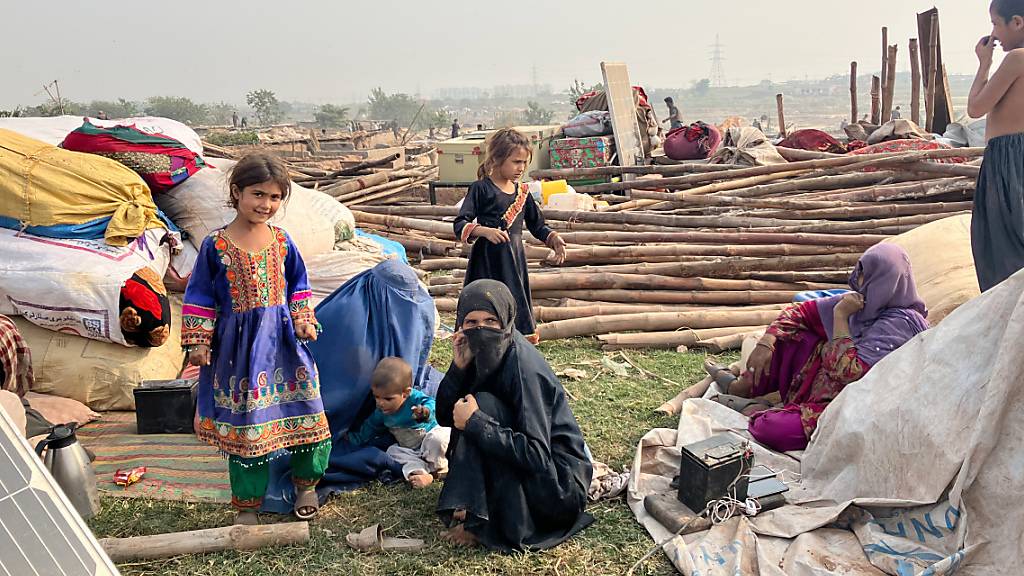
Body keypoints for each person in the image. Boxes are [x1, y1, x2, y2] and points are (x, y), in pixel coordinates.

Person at [182, 153, 331, 525]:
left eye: (275, 197)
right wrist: (199, 340)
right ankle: (248, 506)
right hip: (238, 352)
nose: (266, 204)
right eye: (258, 194)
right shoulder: (215, 246)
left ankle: (306, 485)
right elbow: (199, 295)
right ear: (237, 192)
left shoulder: (282, 242)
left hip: (284, 345)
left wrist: (302, 319)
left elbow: (299, 284)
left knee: (308, 413)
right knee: (247, 428)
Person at [712, 244, 929, 452]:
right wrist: (766, 341)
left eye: (865, 275)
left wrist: (841, 317)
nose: (857, 279)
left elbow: (848, 373)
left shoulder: (901, 324)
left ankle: (762, 409)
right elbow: (801, 311)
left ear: (884, 282)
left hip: (846, 409)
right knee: (791, 336)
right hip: (819, 388)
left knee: (772, 430)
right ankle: (742, 389)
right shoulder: (860, 303)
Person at [435, 280, 593, 551]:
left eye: (490, 320)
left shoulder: (522, 367)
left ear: (506, 320)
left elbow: (537, 455)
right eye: (471, 322)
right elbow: (445, 416)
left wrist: (475, 422)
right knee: (473, 405)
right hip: (539, 474)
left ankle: (485, 525)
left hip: (560, 488)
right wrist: (458, 369)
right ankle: (475, 505)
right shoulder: (481, 353)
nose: (481, 329)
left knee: (479, 408)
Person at [453, 128, 567, 343]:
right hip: (486, 260)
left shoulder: (522, 193)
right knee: (485, 301)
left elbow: (537, 225)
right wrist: (484, 231)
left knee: (514, 300)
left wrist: (552, 238)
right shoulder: (480, 189)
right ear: (496, 158)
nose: (521, 168)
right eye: (516, 162)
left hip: (513, 260)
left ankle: (515, 344)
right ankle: (480, 342)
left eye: (524, 162)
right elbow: (460, 223)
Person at [969, 0, 1024, 291]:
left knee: (1002, 248)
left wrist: (984, 64)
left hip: (1009, 163)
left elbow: (976, 108)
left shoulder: (1016, 59)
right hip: (1014, 159)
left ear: (1017, 22)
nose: (994, 34)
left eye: (995, 24)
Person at [344, 357, 450, 489]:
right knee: (392, 452)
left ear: (406, 393)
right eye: (376, 397)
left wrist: (425, 412)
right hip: (411, 449)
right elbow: (370, 428)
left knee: (438, 439)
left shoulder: (414, 399)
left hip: (429, 436)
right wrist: (354, 439)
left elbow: (432, 403)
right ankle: (421, 473)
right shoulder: (381, 412)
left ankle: (438, 472)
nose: (380, 403)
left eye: (388, 398)